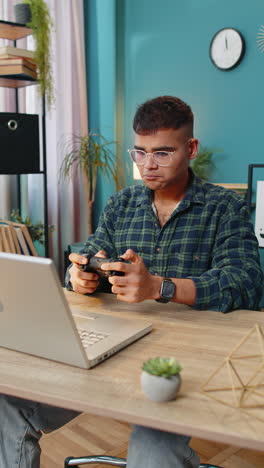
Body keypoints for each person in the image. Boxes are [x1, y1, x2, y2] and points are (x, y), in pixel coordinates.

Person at [0, 96, 263, 468]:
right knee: (6, 405)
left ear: (191, 148)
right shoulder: (122, 204)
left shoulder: (225, 207)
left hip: (182, 358)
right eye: (140, 153)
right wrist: (80, 275)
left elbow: (245, 282)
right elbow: (92, 249)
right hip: (115, 343)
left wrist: (159, 287)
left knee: (153, 452)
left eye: (162, 153)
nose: (148, 166)